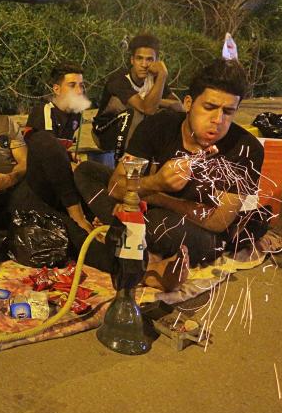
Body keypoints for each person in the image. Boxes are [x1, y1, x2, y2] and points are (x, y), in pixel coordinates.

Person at [76, 59, 267, 285]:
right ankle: (150, 263)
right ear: (188, 103)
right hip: (146, 211)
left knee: (161, 224)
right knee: (86, 172)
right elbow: (117, 185)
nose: (217, 120)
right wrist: (156, 181)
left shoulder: (246, 148)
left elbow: (218, 221)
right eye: (209, 108)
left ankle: (124, 244)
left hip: (196, 232)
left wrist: (154, 195)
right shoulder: (159, 125)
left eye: (228, 112)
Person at [8, 64, 117, 274]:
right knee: (74, 229)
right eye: (72, 85)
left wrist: (70, 158)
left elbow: (62, 156)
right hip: (39, 188)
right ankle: (117, 265)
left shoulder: (75, 116)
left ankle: (120, 233)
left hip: (62, 186)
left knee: (89, 173)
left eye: (82, 85)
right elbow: (46, 151)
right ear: (56, 89)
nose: (79, 91)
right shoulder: (45, 111)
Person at [92, 33, 184, 161]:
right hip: (104, 132)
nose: (144, 64)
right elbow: (147, 109)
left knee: (168, 114)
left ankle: (163, 159)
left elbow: (179, 107)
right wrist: (162, 75)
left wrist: (156, 98)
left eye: (149, 59)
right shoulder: (119, 80)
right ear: (132, 60)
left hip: (133, 133)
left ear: (156, 61)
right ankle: (124, 163)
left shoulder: (154, 79)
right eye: (139, 59)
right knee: (135, 112)